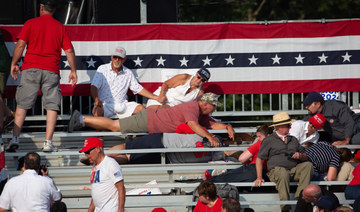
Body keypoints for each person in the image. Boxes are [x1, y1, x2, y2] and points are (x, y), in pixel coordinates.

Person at [7, 0, 78, 152]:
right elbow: (69, 50)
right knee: (52, 106)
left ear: (41, 8)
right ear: (53, 11)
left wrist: (14, 63)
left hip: (30, 68)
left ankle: (15, 139)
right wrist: (73, 70)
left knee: (22, 105)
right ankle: (47, 142)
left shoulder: (30, 23)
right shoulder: (60, 27)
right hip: (51, 70)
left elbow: (20, 45)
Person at [69, 92, 235, 146]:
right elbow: (193, 124)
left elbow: (213, 125)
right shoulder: (193, 107)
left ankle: (82, 120)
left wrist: (228, 126)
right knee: (114, 126)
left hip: (151, 123)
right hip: (148, 120)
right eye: (214, 106)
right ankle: (81, 119)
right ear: (206, 104)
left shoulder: (200, 113)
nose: (215, 109)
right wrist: (209, 137)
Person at [254, 112, 314, 211]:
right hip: (276, 171)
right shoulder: (269, 140)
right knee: (282, 172)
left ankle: (300, 198)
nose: (290, 127)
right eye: (288, 125)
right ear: (279, 127)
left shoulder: (293, 139)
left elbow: (305, 157)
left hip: (293, 169)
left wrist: (300, 155)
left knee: (308, 165)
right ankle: (285, 207)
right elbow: (259, 158)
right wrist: (259, 177)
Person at [91, 46, 165, 119]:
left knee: (141, 109)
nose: (117, 60)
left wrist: (156, 97)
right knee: (97, 111)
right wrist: (96, 100)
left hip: (122, 105)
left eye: (120, 58)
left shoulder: (128, 72)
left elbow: (138, 88)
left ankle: (134, 128)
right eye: (115, 57)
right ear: (111, 57)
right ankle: (100, 130)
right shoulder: (102, 69)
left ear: (124, 59)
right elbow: (94, 86)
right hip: (105, 105)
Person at [106, 133, 227, 165]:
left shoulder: (202, 132)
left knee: (126, 148)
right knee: (128, 157)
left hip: (164, 140)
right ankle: (104, 160)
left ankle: (103, 159)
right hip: (167, 155)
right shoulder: (217, 155)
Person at [209, 124, 273, 182]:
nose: (257, 139)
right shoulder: (277, 143)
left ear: (267, 135)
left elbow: (241, 159)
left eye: (259, 136)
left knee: (225, 177)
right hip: (266, 174)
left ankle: (208, 181)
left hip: (253, 170)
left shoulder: (260, 143)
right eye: (257, 137)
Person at [79, 137, 125, 211]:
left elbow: (121, 188)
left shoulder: (110, 163)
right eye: (85, 153)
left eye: (88, 152)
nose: (86, 155)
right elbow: (96, 191)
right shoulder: (95, 166)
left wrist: (120, 210)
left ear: (97, 149)